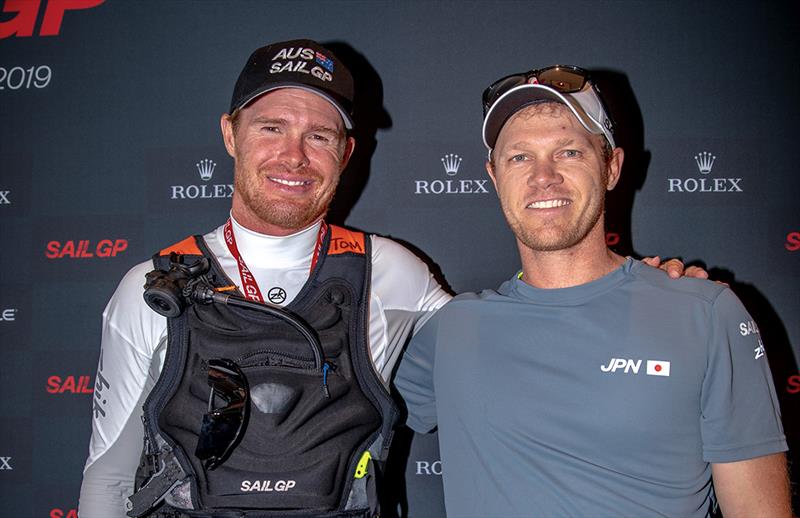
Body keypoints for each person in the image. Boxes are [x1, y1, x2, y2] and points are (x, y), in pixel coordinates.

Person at [78, 43, 699, 517]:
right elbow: (108, 479)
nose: (294, 156)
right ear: (229, 134)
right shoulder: (151, 288)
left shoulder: (393, 274)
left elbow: (515, 335)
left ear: (345, 153)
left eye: (318, 135)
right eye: (272, 127)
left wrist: (630, 287)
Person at [394, 65, 790, 517]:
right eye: (520, 157)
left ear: (611, 167)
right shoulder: (451, 330)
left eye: (568, 153)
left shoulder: (704, 312)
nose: (544, 177)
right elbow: (330, 412)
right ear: (493, 175)